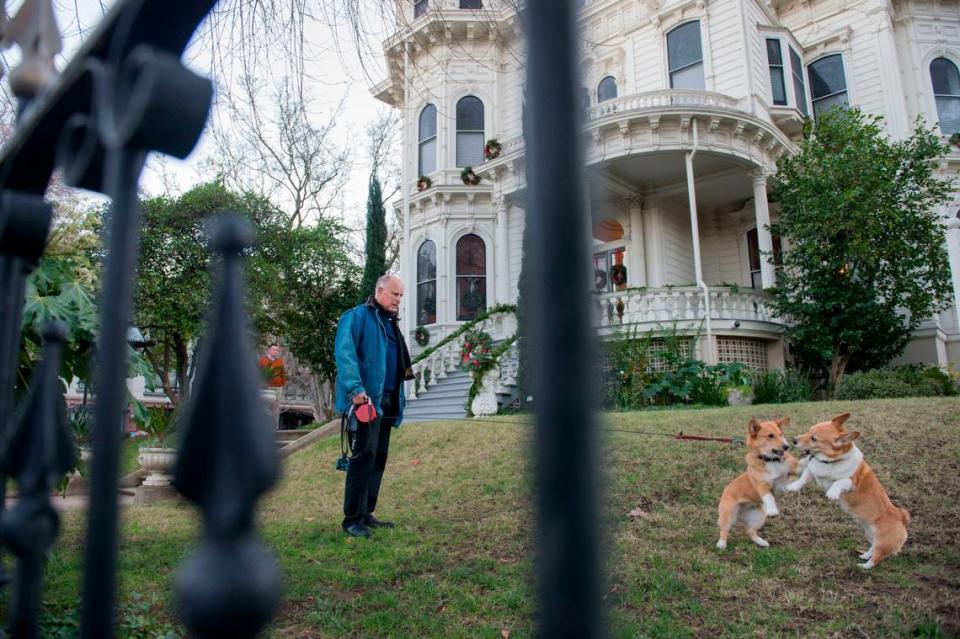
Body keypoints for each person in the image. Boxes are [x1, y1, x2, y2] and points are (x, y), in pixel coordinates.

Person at [334, 274, 414, 538]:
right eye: (395, 294)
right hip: (367, 401)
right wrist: (356, 390)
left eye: (401, 295)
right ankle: (352, 520)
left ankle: (366, 512)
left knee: (379, 457)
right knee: (363, 457)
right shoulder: (356, 317)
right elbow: (345, 355)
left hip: (389, 399)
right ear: (380, 291)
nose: (398, 300)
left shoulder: (390, 323)